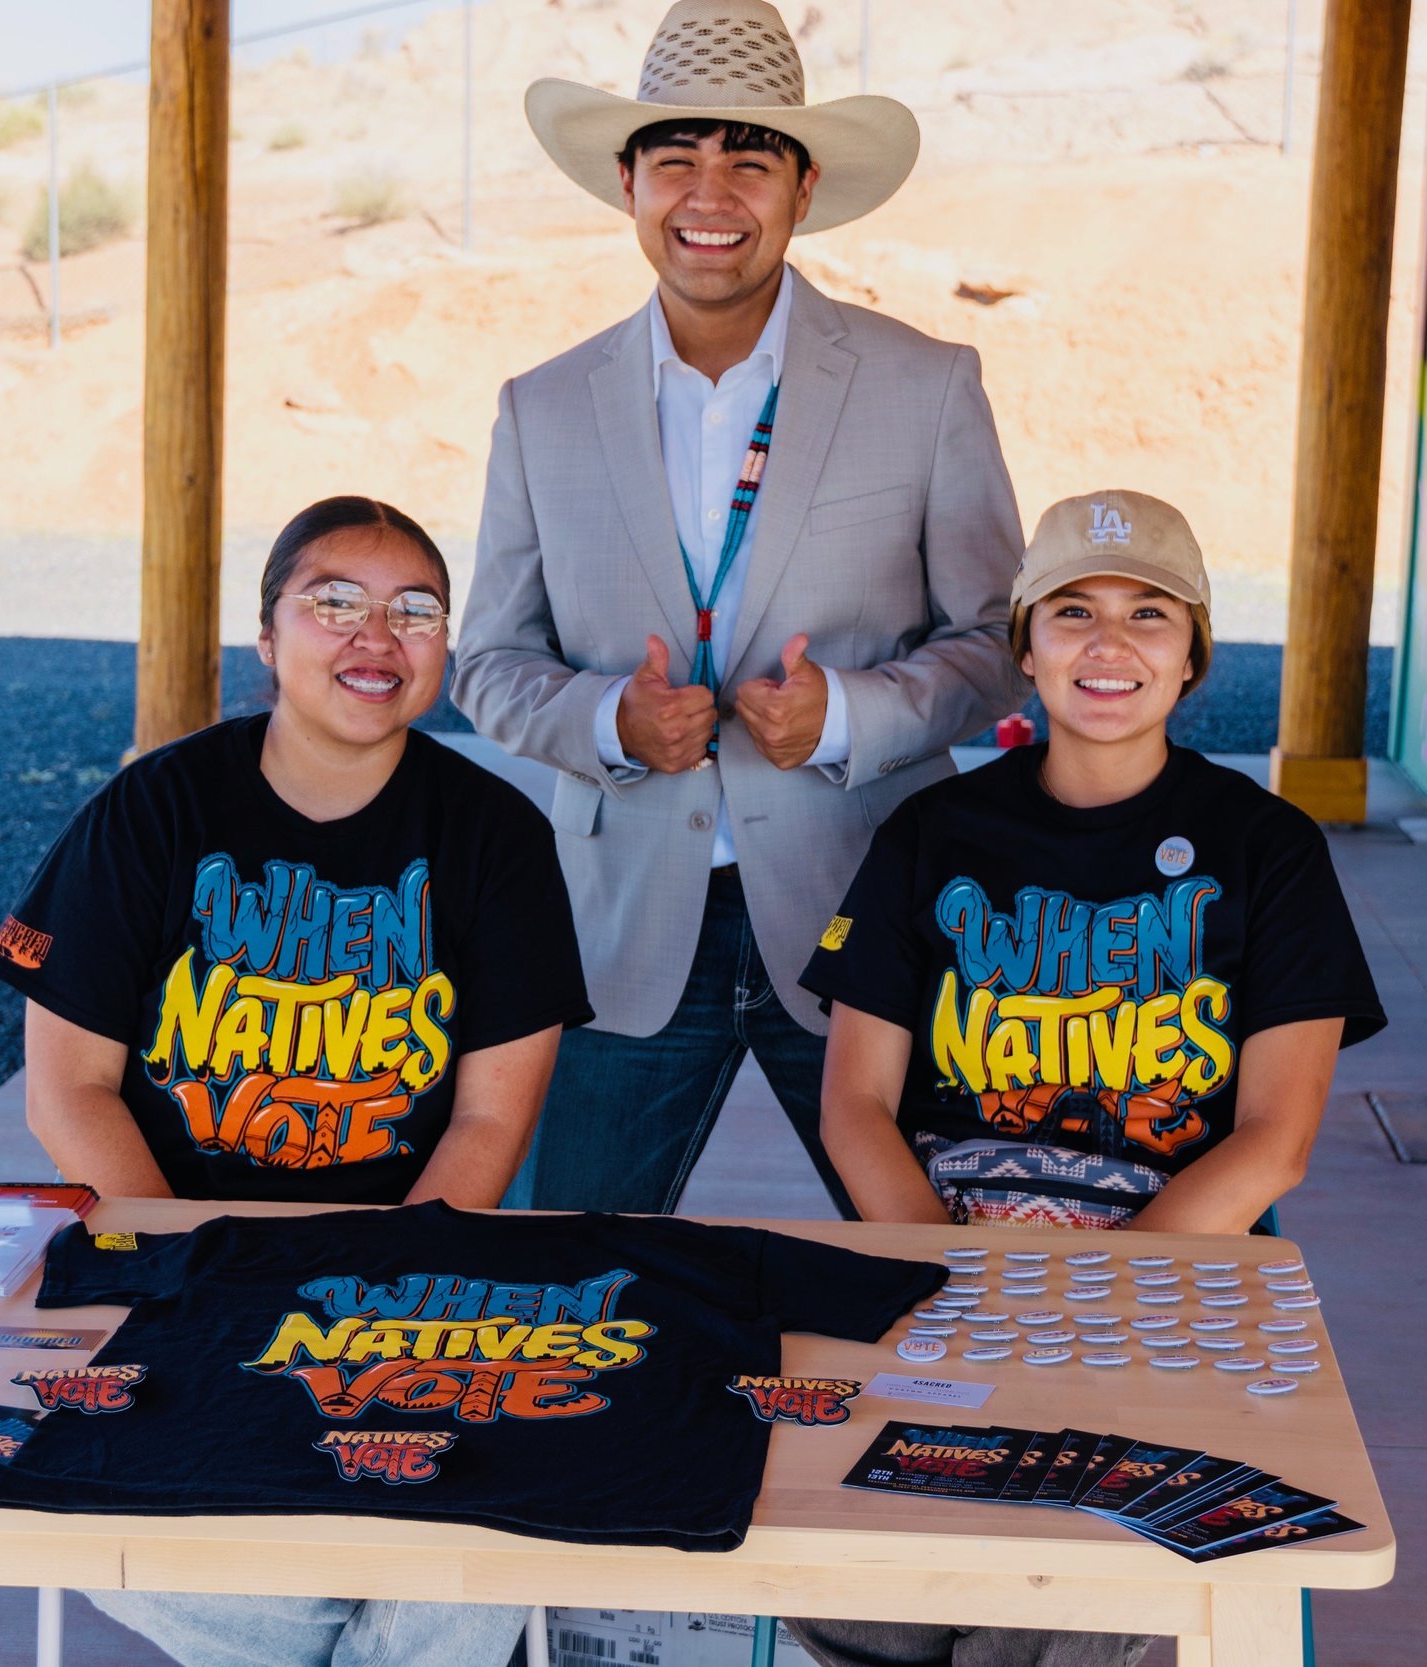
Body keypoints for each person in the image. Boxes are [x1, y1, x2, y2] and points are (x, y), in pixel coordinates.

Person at [0, 495, 592, 1667]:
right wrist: (204, 1269)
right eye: (334, 604)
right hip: (174, 1258)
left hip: (412, 1268)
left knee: (479, 1539)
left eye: (415, 611)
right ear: (266, 637)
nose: (378, 637)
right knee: (94, 1508)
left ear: (443, 653)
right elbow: (70, 1091)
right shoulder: (151, 811)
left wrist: (386, 1282)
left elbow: (492, 1115)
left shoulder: (496, 835)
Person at [784, 490, 1386, 1667]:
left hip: (1159, 1290)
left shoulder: (1267, 848)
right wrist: (950, 1285)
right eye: (1072, 611)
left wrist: (1092, 1301)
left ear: (1194, 650)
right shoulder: (932, 832)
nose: (1109, 644)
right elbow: (854, 1101)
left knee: (1049, 1615)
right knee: (860, 1599)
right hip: (940, 1280)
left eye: (1148, 614)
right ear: (1024, 645)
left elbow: (1275, 1138)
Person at [454, 0, 1024, 1215]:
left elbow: (995, 644)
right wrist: (607, 721)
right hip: (623, 937)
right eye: (676, 159)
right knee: (570, 1289)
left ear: (803, 186)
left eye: (749, 159)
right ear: (628, 183)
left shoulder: (927, 385)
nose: (710, 192)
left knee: (933, 1278)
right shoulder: (539, 407)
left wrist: (849, 717)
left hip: (866, 917)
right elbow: (489, 660)